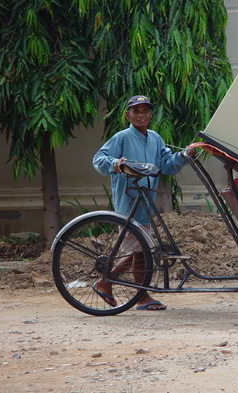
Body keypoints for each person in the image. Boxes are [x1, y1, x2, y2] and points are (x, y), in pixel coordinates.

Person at [92, 95, 192, 310]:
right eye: (136, 111)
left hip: (146, 203)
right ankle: (111, 283)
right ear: (128, 115)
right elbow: (99, 159)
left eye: (145, 111)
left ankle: (134, 293)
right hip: (128, 202)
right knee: (140, 250)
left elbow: (166, 164)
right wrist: (115, 163)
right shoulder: (122, 137)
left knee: (141, 251)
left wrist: (183, 155)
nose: (141, 115)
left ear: (150, 115)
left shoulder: (155, 138)